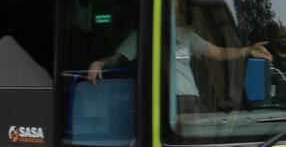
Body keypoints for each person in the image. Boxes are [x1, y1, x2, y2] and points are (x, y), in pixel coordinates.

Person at [88, 29, 273, 114]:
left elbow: (218, 52)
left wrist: (247, 50)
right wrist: (99, 63)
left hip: (193, 101)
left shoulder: (186, 35)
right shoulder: (144, 33)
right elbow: (119, 57)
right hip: (167, 105)